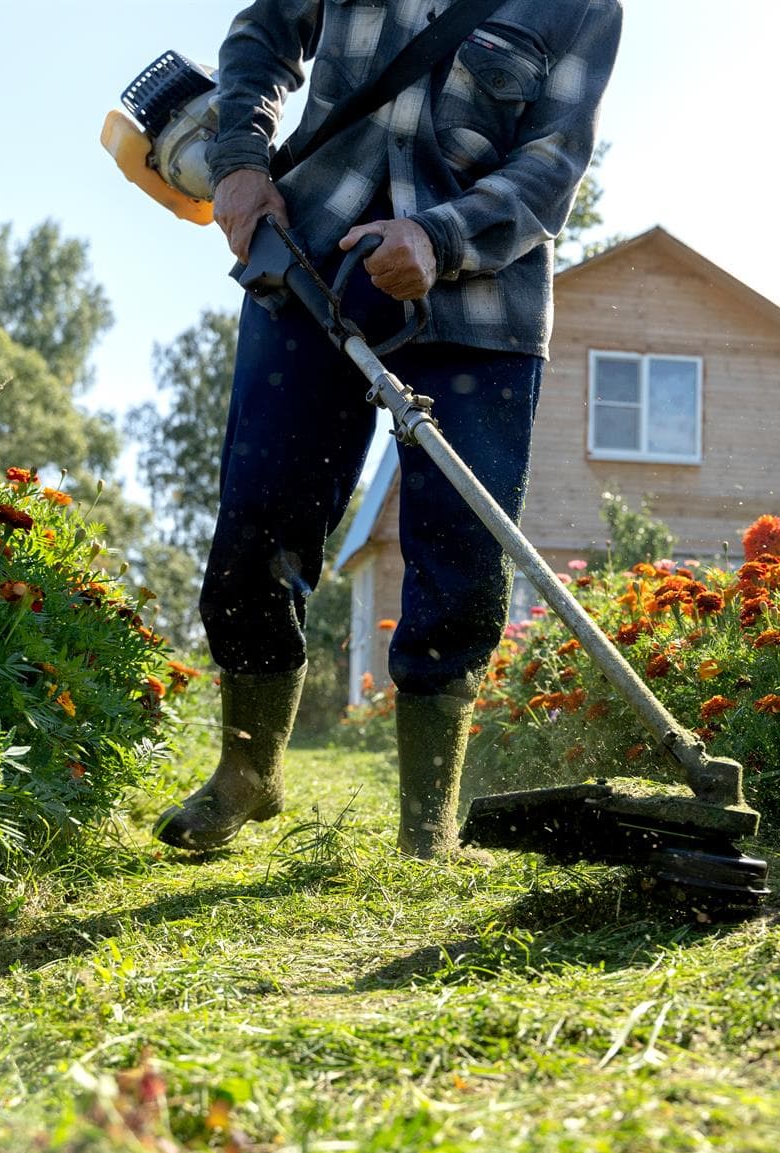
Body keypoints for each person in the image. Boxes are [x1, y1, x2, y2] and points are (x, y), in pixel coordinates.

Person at [157, 0, 624, 859]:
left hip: (480, 298)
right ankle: (247, 772)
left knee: (460, 554)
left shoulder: (581, 8)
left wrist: (439, 237)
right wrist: (239, 161)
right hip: (308, 257)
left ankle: (426, 823)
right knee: (261, 516)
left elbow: (552, 165)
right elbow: (261, 38)